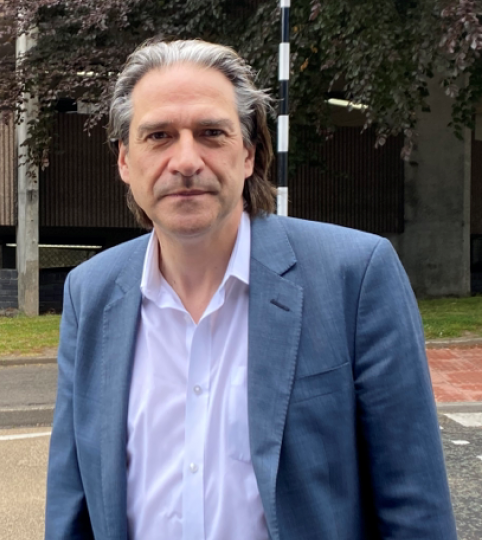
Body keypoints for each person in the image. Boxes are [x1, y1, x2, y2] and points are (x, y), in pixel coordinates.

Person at [44, 39, 456, 540]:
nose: (186, 160)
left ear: (249, 154)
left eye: (211, 133)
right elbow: (72, 501)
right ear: (125, 162)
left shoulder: (355, 275)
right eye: (159, 136)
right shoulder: (90, 291)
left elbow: (415, 508)